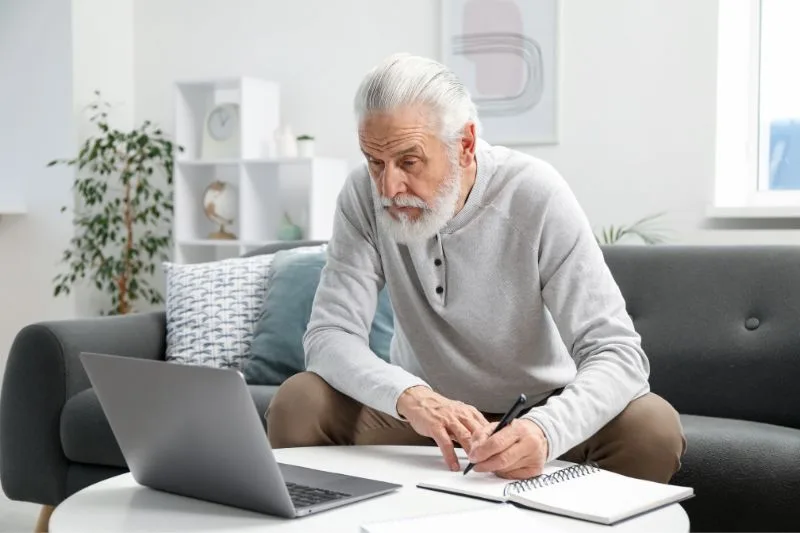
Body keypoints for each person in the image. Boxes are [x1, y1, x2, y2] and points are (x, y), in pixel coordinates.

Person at [266, 53, 686, 483]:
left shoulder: (536, 194)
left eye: (409, 162)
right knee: (301, 402)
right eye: (375, 162)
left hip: (535, 411)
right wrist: (408, 395)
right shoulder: (362, 194)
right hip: (424, 414)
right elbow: (329, 335)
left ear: (464, 146)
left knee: (650, 428)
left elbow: (617, 352)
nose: (388, 187)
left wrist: (546, 429)